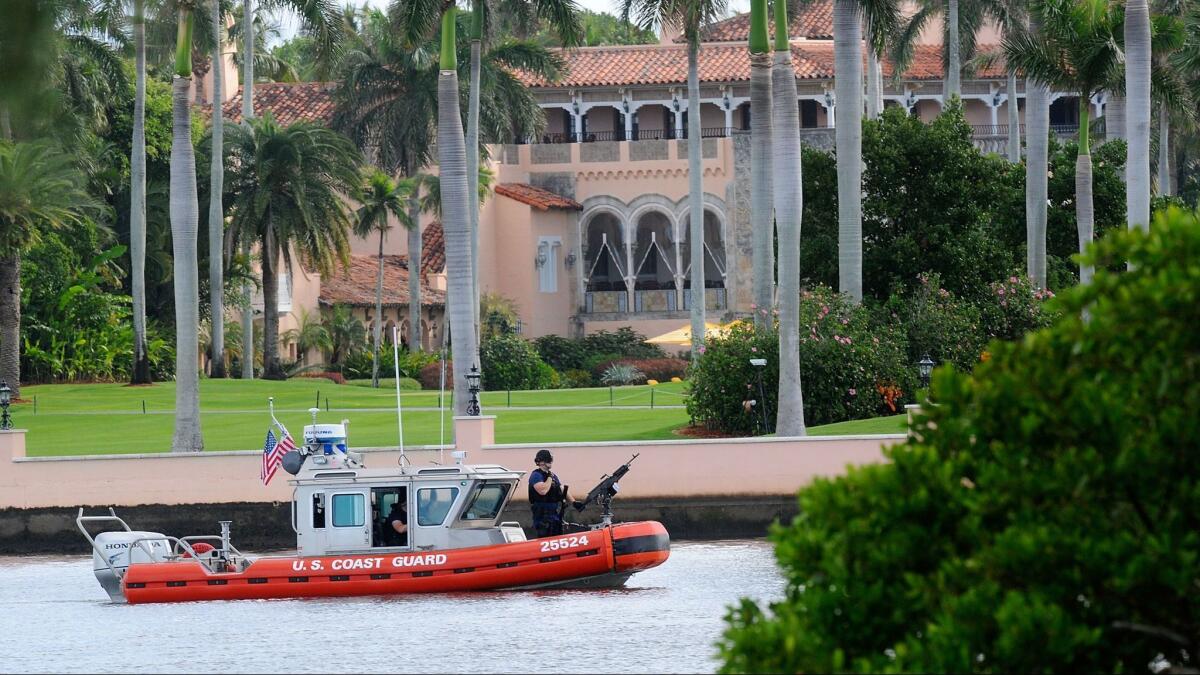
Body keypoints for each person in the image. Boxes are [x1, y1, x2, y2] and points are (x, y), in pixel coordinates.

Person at [528, 449, 583, 538]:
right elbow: (543, 491)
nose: (551, 462)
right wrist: (549, 477)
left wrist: (573, 502)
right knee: (545, 537)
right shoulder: (536, 475)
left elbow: (561, 488)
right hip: (543, 516)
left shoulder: (553, 475)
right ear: (541, 462)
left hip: (555, 514)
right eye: (548, 460)